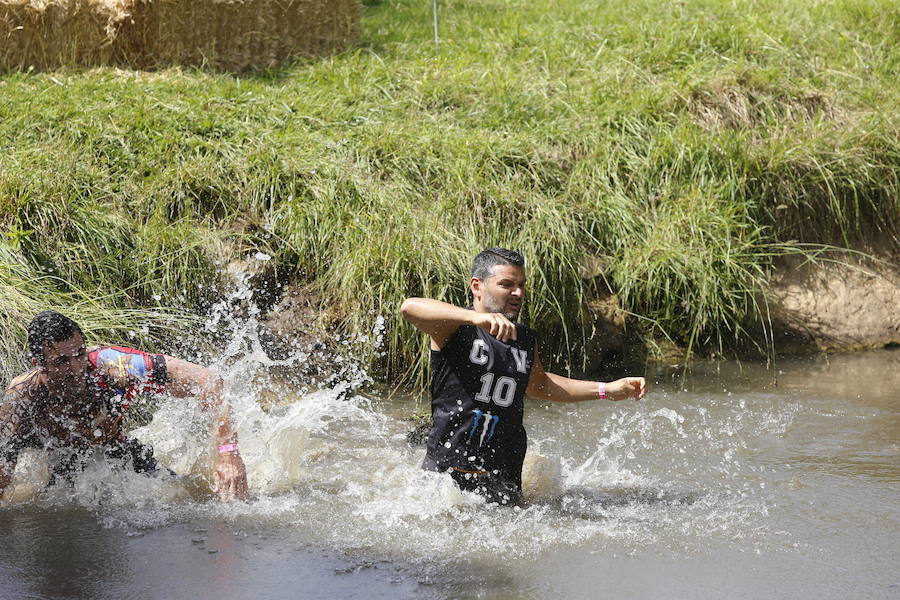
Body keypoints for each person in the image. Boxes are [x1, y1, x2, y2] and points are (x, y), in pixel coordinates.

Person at [400, 248, 646, 506]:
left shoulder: (524, 338)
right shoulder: (454, 327)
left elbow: (539, 385)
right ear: (477, 286)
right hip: (447, 477)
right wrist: (476, 318)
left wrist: (606, 390)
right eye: (507, 284)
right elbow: (410, 308)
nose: (518, 293)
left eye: (521, 285)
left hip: (503, 475)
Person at [0, 310, 248, 501]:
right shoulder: (22, 396)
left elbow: (208, 381)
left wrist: (229, 454)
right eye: (62, 361)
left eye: (79, 354)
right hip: (61, 464)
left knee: (185, 498)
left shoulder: (112, 365)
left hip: (117, 453)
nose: (76, 369)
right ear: (38, 363)